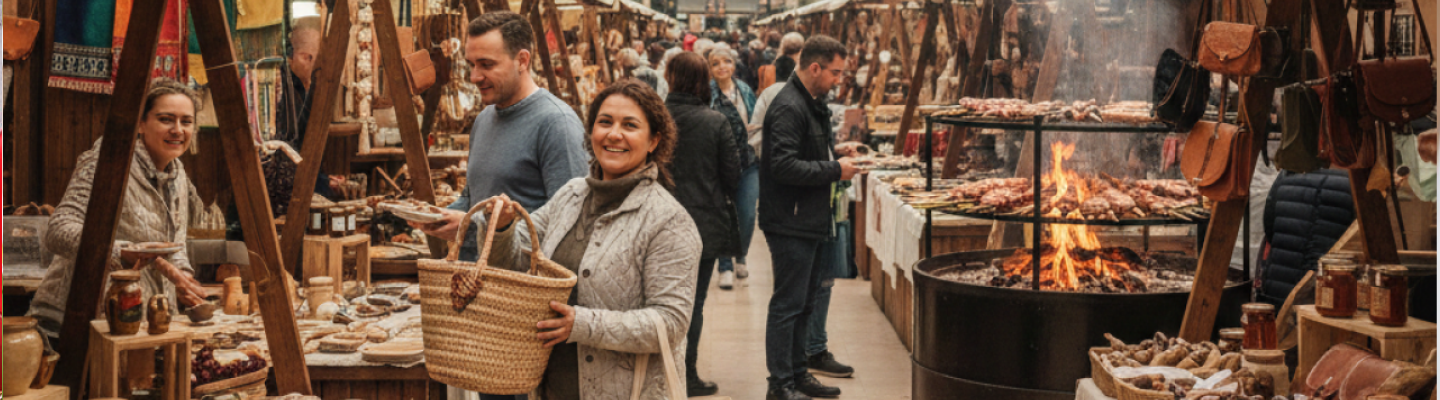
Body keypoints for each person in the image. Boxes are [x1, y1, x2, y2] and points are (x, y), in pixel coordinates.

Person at [467, 80, 701, 400]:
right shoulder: (572, 196)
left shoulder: (668, 222)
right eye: (605, 122)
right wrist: (503, 227)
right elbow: (513, 262)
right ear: (591, 133)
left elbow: (670, 323)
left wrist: (581, 324)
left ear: (653, 140)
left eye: (630, 125)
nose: (614, 134)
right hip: (553, 388)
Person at [412, 12, 588, 400]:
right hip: (481, 301)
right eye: (472, 64)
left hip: (524, 310)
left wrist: (475, 225)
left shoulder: (556, 124)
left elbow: (572, 223)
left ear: (523, 60)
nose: (475, 76)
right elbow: (476, 199)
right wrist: (446, 216)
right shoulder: (485, 120)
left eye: (487, 65)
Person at [29, 78, 207, 339]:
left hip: (132, 327)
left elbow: (173, 248)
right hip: (73, 325)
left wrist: (183, 281)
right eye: (166, 119)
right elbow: (58, 230)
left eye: (186, 121)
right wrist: (119, 251)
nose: (178, 130)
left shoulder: (177, 175)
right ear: (141, 123)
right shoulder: (109, 160)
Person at [759, 35, 861, 400]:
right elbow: (782, 165)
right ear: (814, 67)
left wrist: (833, 154)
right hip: (791, 220)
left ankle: (798, 374)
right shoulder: (789, 105)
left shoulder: (810, 101)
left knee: (804, 302)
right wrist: (835, 168)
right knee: (788, 304)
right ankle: (780, 384)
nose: (838, 80)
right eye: (835, 72)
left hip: (809, 217)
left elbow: (800, 152)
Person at [664, 52, 740, 397]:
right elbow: (733, 176)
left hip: (658, 223)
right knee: (692, 303)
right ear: (703, 81)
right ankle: (687, 374)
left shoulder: (655, 119)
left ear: (669, 77)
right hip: (703, 224)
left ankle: (659, 372)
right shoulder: (716, 121)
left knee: (657, 301)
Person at [706, 45, 759, 290]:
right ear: (710, 68)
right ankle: (725, 266)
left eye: (726, 61)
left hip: (748, 161)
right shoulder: (706, 93)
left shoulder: (745, 90)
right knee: (725, 214)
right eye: (715, 63)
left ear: (733, 65)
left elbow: (756, 120)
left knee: (746, 214)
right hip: (719, 163)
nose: (721, 67)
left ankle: (742, 255)